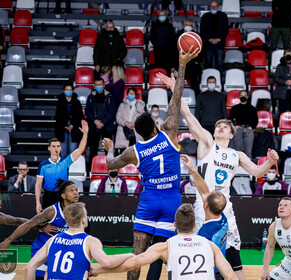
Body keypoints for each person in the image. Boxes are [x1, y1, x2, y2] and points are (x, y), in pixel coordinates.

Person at [158, 72, 280, 280]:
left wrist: (269, 162)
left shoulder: (237, 154)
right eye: (218, 126)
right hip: (203, 205)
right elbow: (188, 115)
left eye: (224, 126)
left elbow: (257, 172)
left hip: (225, 208)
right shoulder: (207, 143)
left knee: (233, 254)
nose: (220, 127)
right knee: (201, 253)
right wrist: (175, 89)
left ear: (232, 135)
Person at [101, 48, 199, 280]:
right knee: (162, 253)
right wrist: (182, 65)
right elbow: (177, 99)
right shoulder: (170, 133)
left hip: (148, 202)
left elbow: (110, 166)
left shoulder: (133, 151)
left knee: (137, 256)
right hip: (171, 201)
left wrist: (108, 150)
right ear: (155, 127)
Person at [89, 203, 238, 280]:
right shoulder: (210, 245)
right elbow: (230, 276)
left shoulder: (165, 246)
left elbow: (131, 264)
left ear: (174, 225)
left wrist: (97, 271)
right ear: (194, 225)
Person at [25, 202, 134, 280]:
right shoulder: (90, 241)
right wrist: (129, 255)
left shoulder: (52, 240)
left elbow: (30, 266)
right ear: (83, 220)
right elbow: (107, 262)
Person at [0, 180, 79, 279]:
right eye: (71, 191)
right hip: (42, 247)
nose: (76, 193)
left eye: (76, 190)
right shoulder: (52, 211)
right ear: (63, 196)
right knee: (38, 278)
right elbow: (28, 224)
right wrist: (8, 241)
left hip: (60, 249)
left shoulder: (78, 211)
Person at [181, 154, 229, 279]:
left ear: (205, 205)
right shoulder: (223, 218)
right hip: (222, 270)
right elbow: (204, 191)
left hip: (211, 273)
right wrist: (193, 170)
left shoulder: (205, 233)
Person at [35, 121, 88, 214]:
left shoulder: (65, 162)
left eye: (58, 146)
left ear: (60, 148)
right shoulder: (43, 165)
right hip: (48, 196)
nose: (56, 148)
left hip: (63, 196)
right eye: (53, 146)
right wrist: (38, 202)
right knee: (48, 224)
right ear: (49, 148)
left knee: (64, 222)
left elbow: (80, 150)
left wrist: (85, 133)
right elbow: (38, 185)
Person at [85, 78, 117, 163]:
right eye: (97, 85)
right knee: (93, 149)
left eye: (100, 85)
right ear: (94, 86)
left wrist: (103, 122)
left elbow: (112, 112)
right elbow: (88, 111)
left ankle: (110, 168)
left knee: (108, 150)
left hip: (107, 127)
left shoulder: (110, 96)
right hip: (94, 127)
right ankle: (92, 169)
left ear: (104, 85)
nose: (99, 86)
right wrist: (95, 121)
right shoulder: (90, 97)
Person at [200, 0, 229, 74]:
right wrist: (209, 39)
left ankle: (219, 81)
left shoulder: (223, 16)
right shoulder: (205, 16)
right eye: (212, 6)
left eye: (215, 6)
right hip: (208, 44)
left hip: (220, 44)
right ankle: (207, 79)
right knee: (208, 64)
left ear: (218, 7)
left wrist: (219, 39)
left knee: (219, 64)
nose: (213, 8)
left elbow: (226, 30)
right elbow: (202, 30)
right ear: (209, 7)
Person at [55, 84, 84, 157]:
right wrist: (64, 125)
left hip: (74, 128)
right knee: (63, 151)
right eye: (67, 90)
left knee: (72, 150)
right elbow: (58, 116)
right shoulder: (60, 102)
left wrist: (73, 125)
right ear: (64, 91)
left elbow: (79, 116)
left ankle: (72, 168)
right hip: (62, 128)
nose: (68, 91)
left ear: (73, 91)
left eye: (70, 90)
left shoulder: (77, 102)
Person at [175, 18, 203, 95]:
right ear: (183, 25)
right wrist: (173, 66)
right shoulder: (177, 35)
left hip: (193, 64)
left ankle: (197, 99)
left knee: (195, 84)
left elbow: (201, 49)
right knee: (178, 84)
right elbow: (173, 51)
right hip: (181, 63)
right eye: (186, 25)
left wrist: (198, 60)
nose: (188, 26)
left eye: (190, 25)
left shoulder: (196, 36)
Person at [228, 90, 258, 158]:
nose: (243, 97)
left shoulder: (252, 108)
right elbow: (230, 119)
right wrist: (234, 126)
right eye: (241, 95)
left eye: (244, 96)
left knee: (248, 151)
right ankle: (238, 167)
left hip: (249, 130)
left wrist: (252, 126)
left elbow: (255, 120)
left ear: (247, 97)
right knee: (238, 151)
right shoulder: (234, 108)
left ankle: (248, 168)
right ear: (239, 97)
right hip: (238, 130)